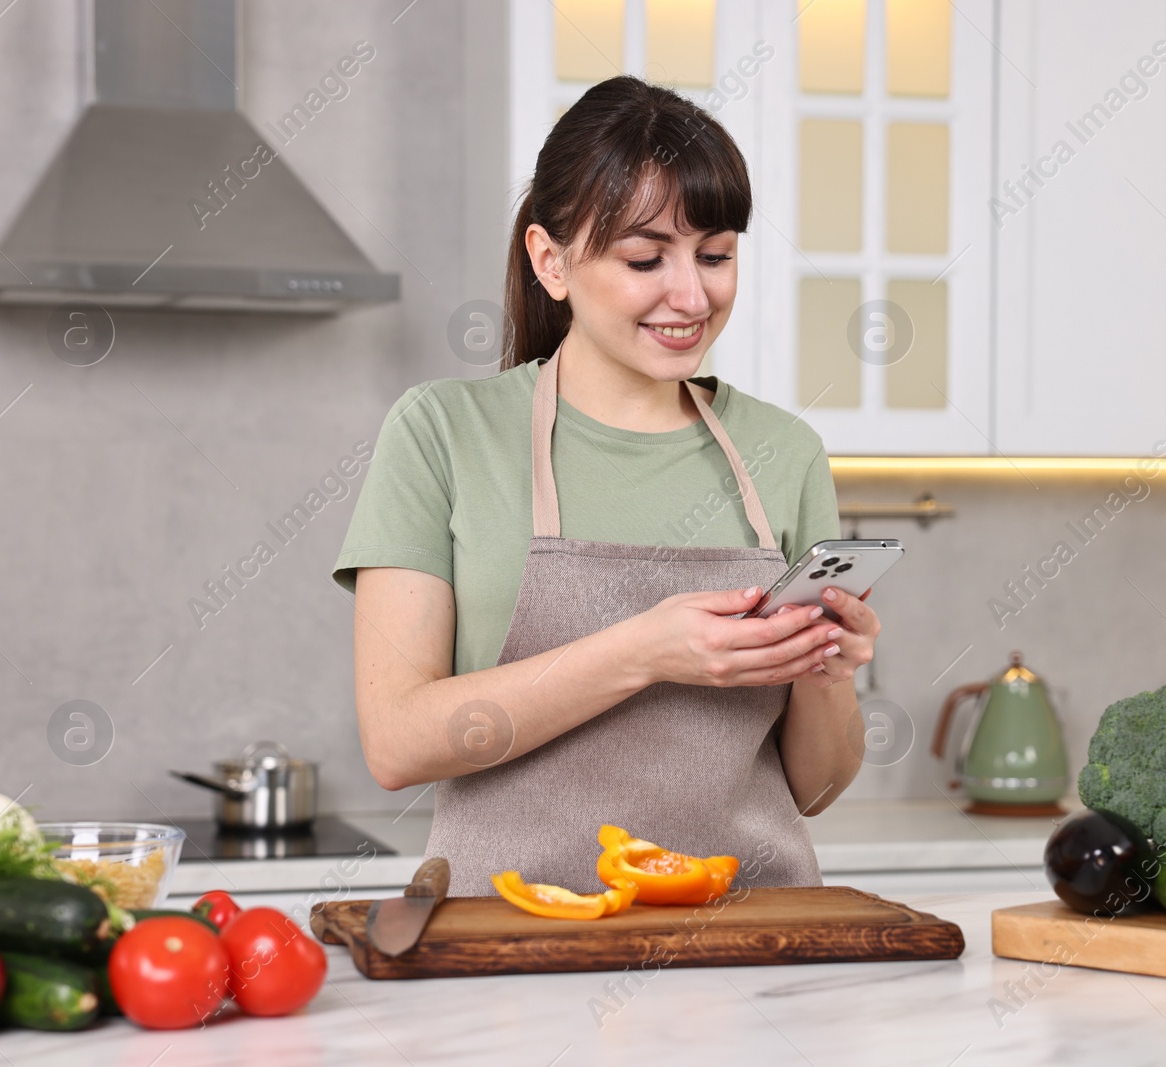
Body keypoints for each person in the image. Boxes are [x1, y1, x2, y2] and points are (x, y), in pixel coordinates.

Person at [333, 75, 880, 896]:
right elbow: (398, 742)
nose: (691, 295)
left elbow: (817, 786)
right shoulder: (444, 434)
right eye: (645, 257)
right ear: (550, 261)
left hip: (748, 945)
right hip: (514, 939)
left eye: (717, 254)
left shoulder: (785, 451)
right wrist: (644, 651)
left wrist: (823, 669)